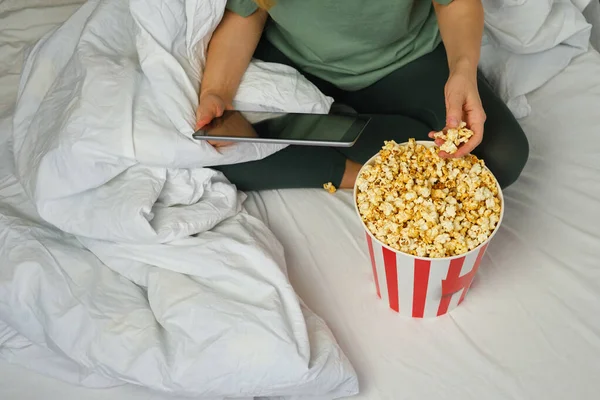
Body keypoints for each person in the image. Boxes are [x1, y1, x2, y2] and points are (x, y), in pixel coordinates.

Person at [196, 0, 529, 191]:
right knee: (211, 156)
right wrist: (217, 91)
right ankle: (360, 165)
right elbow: (246, 13)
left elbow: (454, 3)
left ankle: (343, 139)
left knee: (499, 158)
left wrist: (463, 69)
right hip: (298, 68)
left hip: (404, 59)